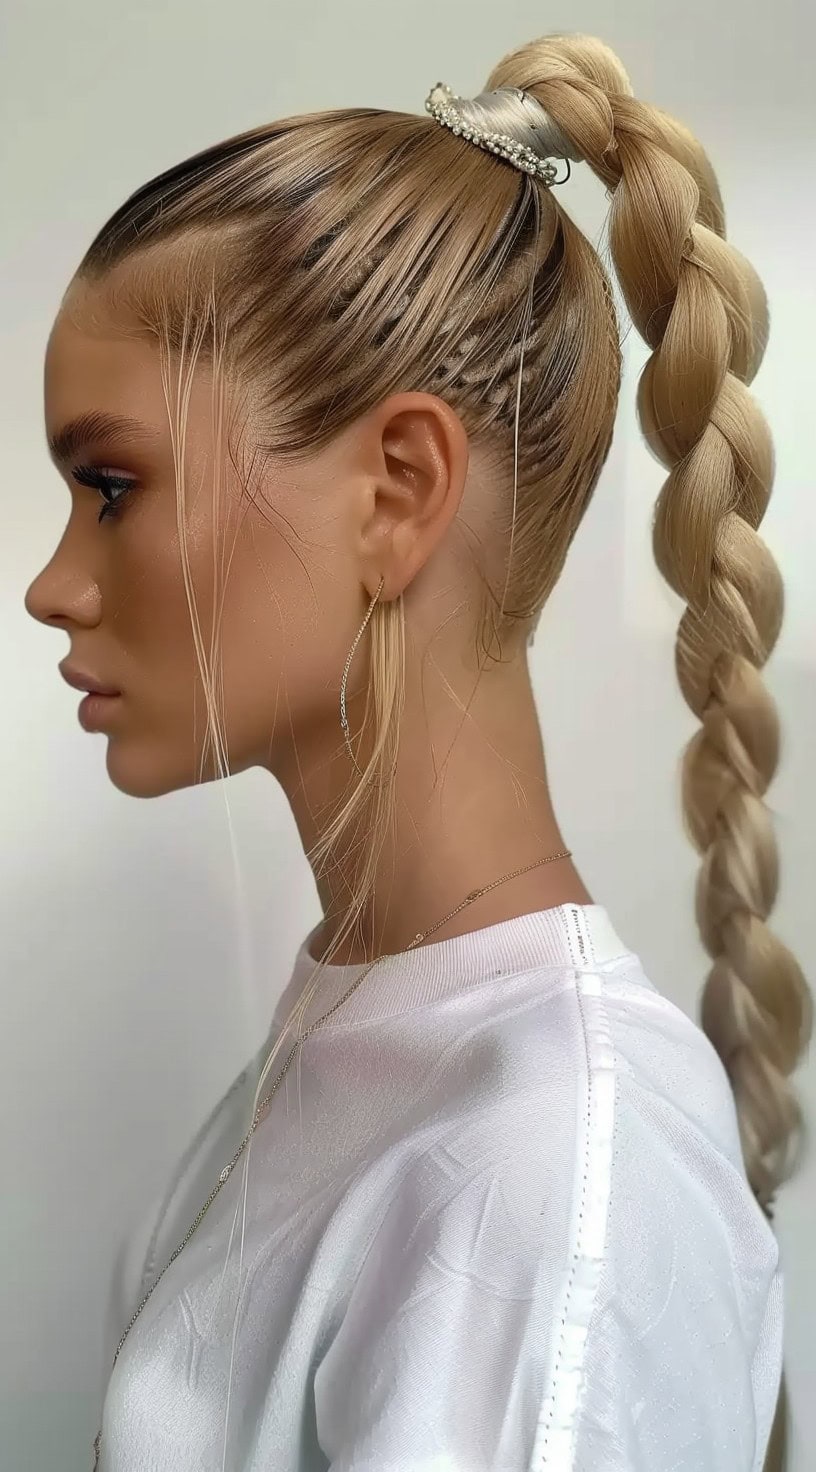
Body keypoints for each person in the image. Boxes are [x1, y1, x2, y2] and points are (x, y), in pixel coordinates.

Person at [24, 30, 811, 1472]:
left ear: (398, 492)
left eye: (114, 487)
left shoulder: (558, 1181)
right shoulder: (372, 1049)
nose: (52, 584)